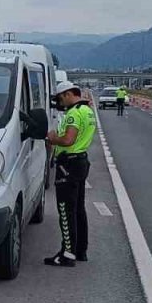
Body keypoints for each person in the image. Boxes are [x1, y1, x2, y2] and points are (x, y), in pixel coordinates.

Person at [44, 81, 96, 267]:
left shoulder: (73, 113)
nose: (59, 102)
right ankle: (80, 250)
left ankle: (67, 254)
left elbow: (67, 140)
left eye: (60, 98)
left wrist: (52, 137)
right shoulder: (88, 111)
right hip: (81, 162)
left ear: (67, 94)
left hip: (69, 164)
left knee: (66, 211)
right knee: (78, 209)